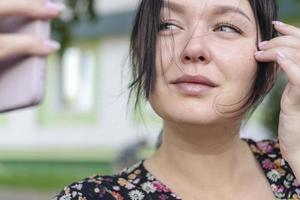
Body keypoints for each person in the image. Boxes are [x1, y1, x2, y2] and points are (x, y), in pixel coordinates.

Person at [2, 0, 299, 199]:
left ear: (270, 68)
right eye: (167, 25)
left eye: (226, 27)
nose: (193, 48)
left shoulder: (294, 166)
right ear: (139, 56)